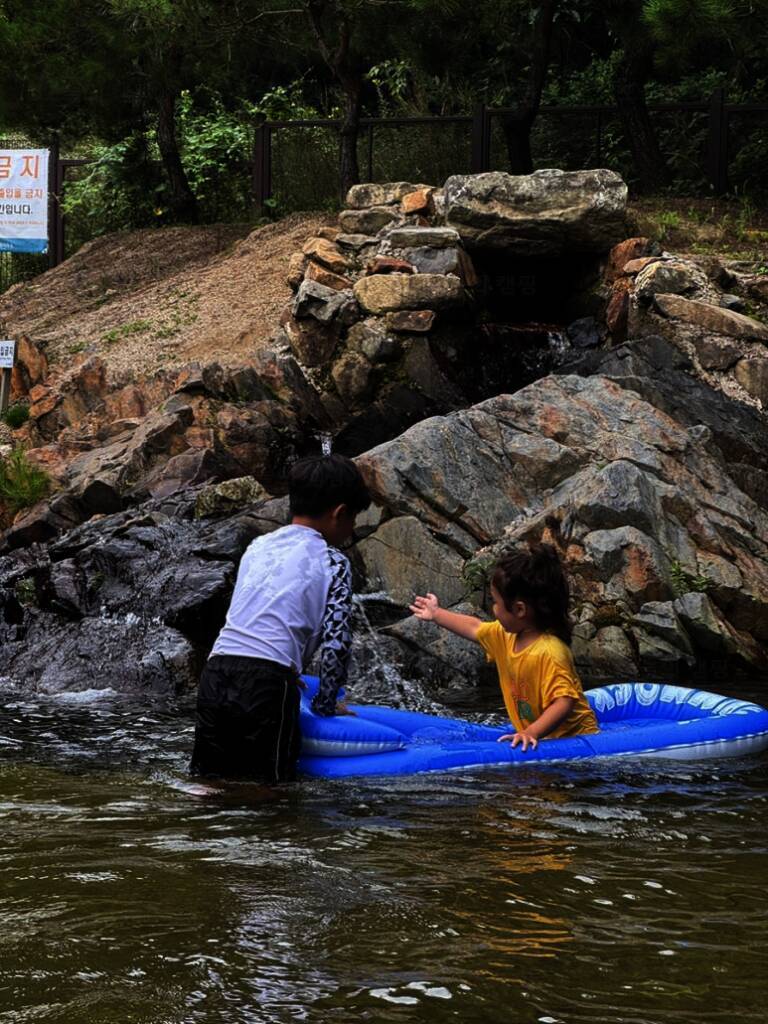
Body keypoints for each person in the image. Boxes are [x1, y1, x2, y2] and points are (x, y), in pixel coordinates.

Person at [190, 453, 371, 783]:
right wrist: (326, 703)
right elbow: (337, 643)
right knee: (270, 789)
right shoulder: (333, 561)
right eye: (354, 518)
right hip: (266, 684)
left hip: (215, 673)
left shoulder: (258, 546)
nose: (353, 528)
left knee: (209, 781)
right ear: (340, 513)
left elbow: (256, 616)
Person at [410, 544, 598, 751]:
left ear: (519, 609)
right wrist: (436, 614)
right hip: (540, 737)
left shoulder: (550, 652)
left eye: (496, 602)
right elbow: (475, 628)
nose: (493, 609)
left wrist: (530, 732)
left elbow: (564, 702)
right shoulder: (505, 635)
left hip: (578, 742)